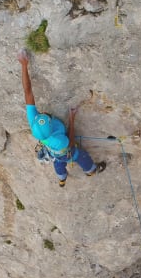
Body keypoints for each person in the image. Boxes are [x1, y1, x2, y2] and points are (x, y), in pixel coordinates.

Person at [17, 49, 105, 187]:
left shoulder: (34, 122)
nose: (44, 114)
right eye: (47, 118)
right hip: (64, 149)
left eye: (43, 116)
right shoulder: (59, 140)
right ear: (51, 127)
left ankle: (62, 178)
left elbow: (27, 92)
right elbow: (70, 142)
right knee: (80, 156)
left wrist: (23, 65)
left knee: (58, 163)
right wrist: (71, 118)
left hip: (53, 151)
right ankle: (91, 170)